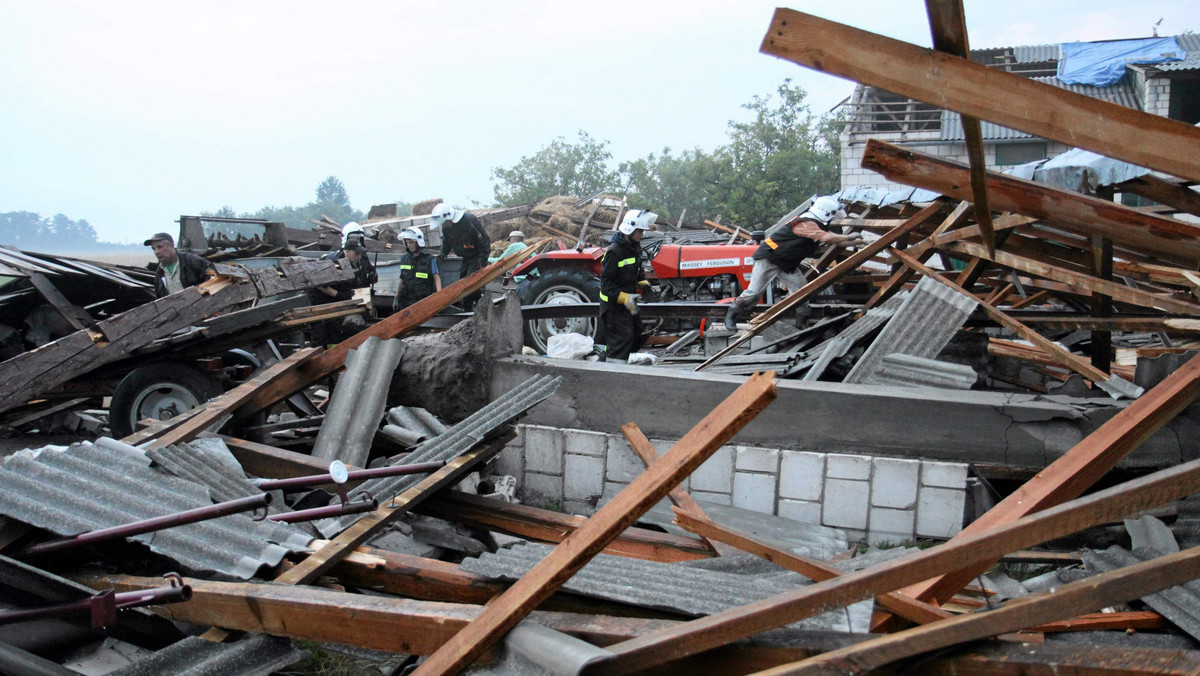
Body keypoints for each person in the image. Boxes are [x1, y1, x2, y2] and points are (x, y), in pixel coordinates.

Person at [724, 196, 862, 330]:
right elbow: (827, 238)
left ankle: (801, 322)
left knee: (801, 291)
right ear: (825, 212)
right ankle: (731, 314)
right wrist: (849, 236)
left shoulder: (816, 224)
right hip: (770, 257)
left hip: (787, 263)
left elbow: (834, 239)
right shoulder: (805, 223)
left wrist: (859, 242)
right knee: (754, 292)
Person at [600, 209, 656, 362]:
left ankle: (605, 359)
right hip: (613, 308)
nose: (642, 235)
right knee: (622, 340)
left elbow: (637, 271)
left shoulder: (634, 249)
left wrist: (644, 284)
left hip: (628, 305)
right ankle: (613, 373)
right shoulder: (614, 252)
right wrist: (623, 297)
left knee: (638, 335)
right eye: (640, 231)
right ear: (629, 230)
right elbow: (605, 282)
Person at [431, 202, 490, 311]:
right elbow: (447, 242)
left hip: (477, 256)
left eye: (445, 222)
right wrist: (443, 253)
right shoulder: (447, 228)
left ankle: (474, 308)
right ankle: (472, 307)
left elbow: (484, 240)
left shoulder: (469, 220)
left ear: (449, 218)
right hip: (466, 258)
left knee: (470, 282)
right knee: (463, 281)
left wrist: (482, 260)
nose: (444, 225)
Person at [144, 232, 214, 298]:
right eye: (153, 249)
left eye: (160, 247)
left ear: (171, 246)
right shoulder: (159, 275)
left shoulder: (193, 262)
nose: (156, 252)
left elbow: (215, 281)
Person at [392, 227, 442, 312]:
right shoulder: (404, 258)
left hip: (422, 300)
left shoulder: (429, 259)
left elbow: (436, 277)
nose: (409, 245)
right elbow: (402, 278)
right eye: (407, 243)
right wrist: (396, 297)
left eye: (411, 242)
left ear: (418, 243)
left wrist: (439, 296)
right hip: (406, 301)